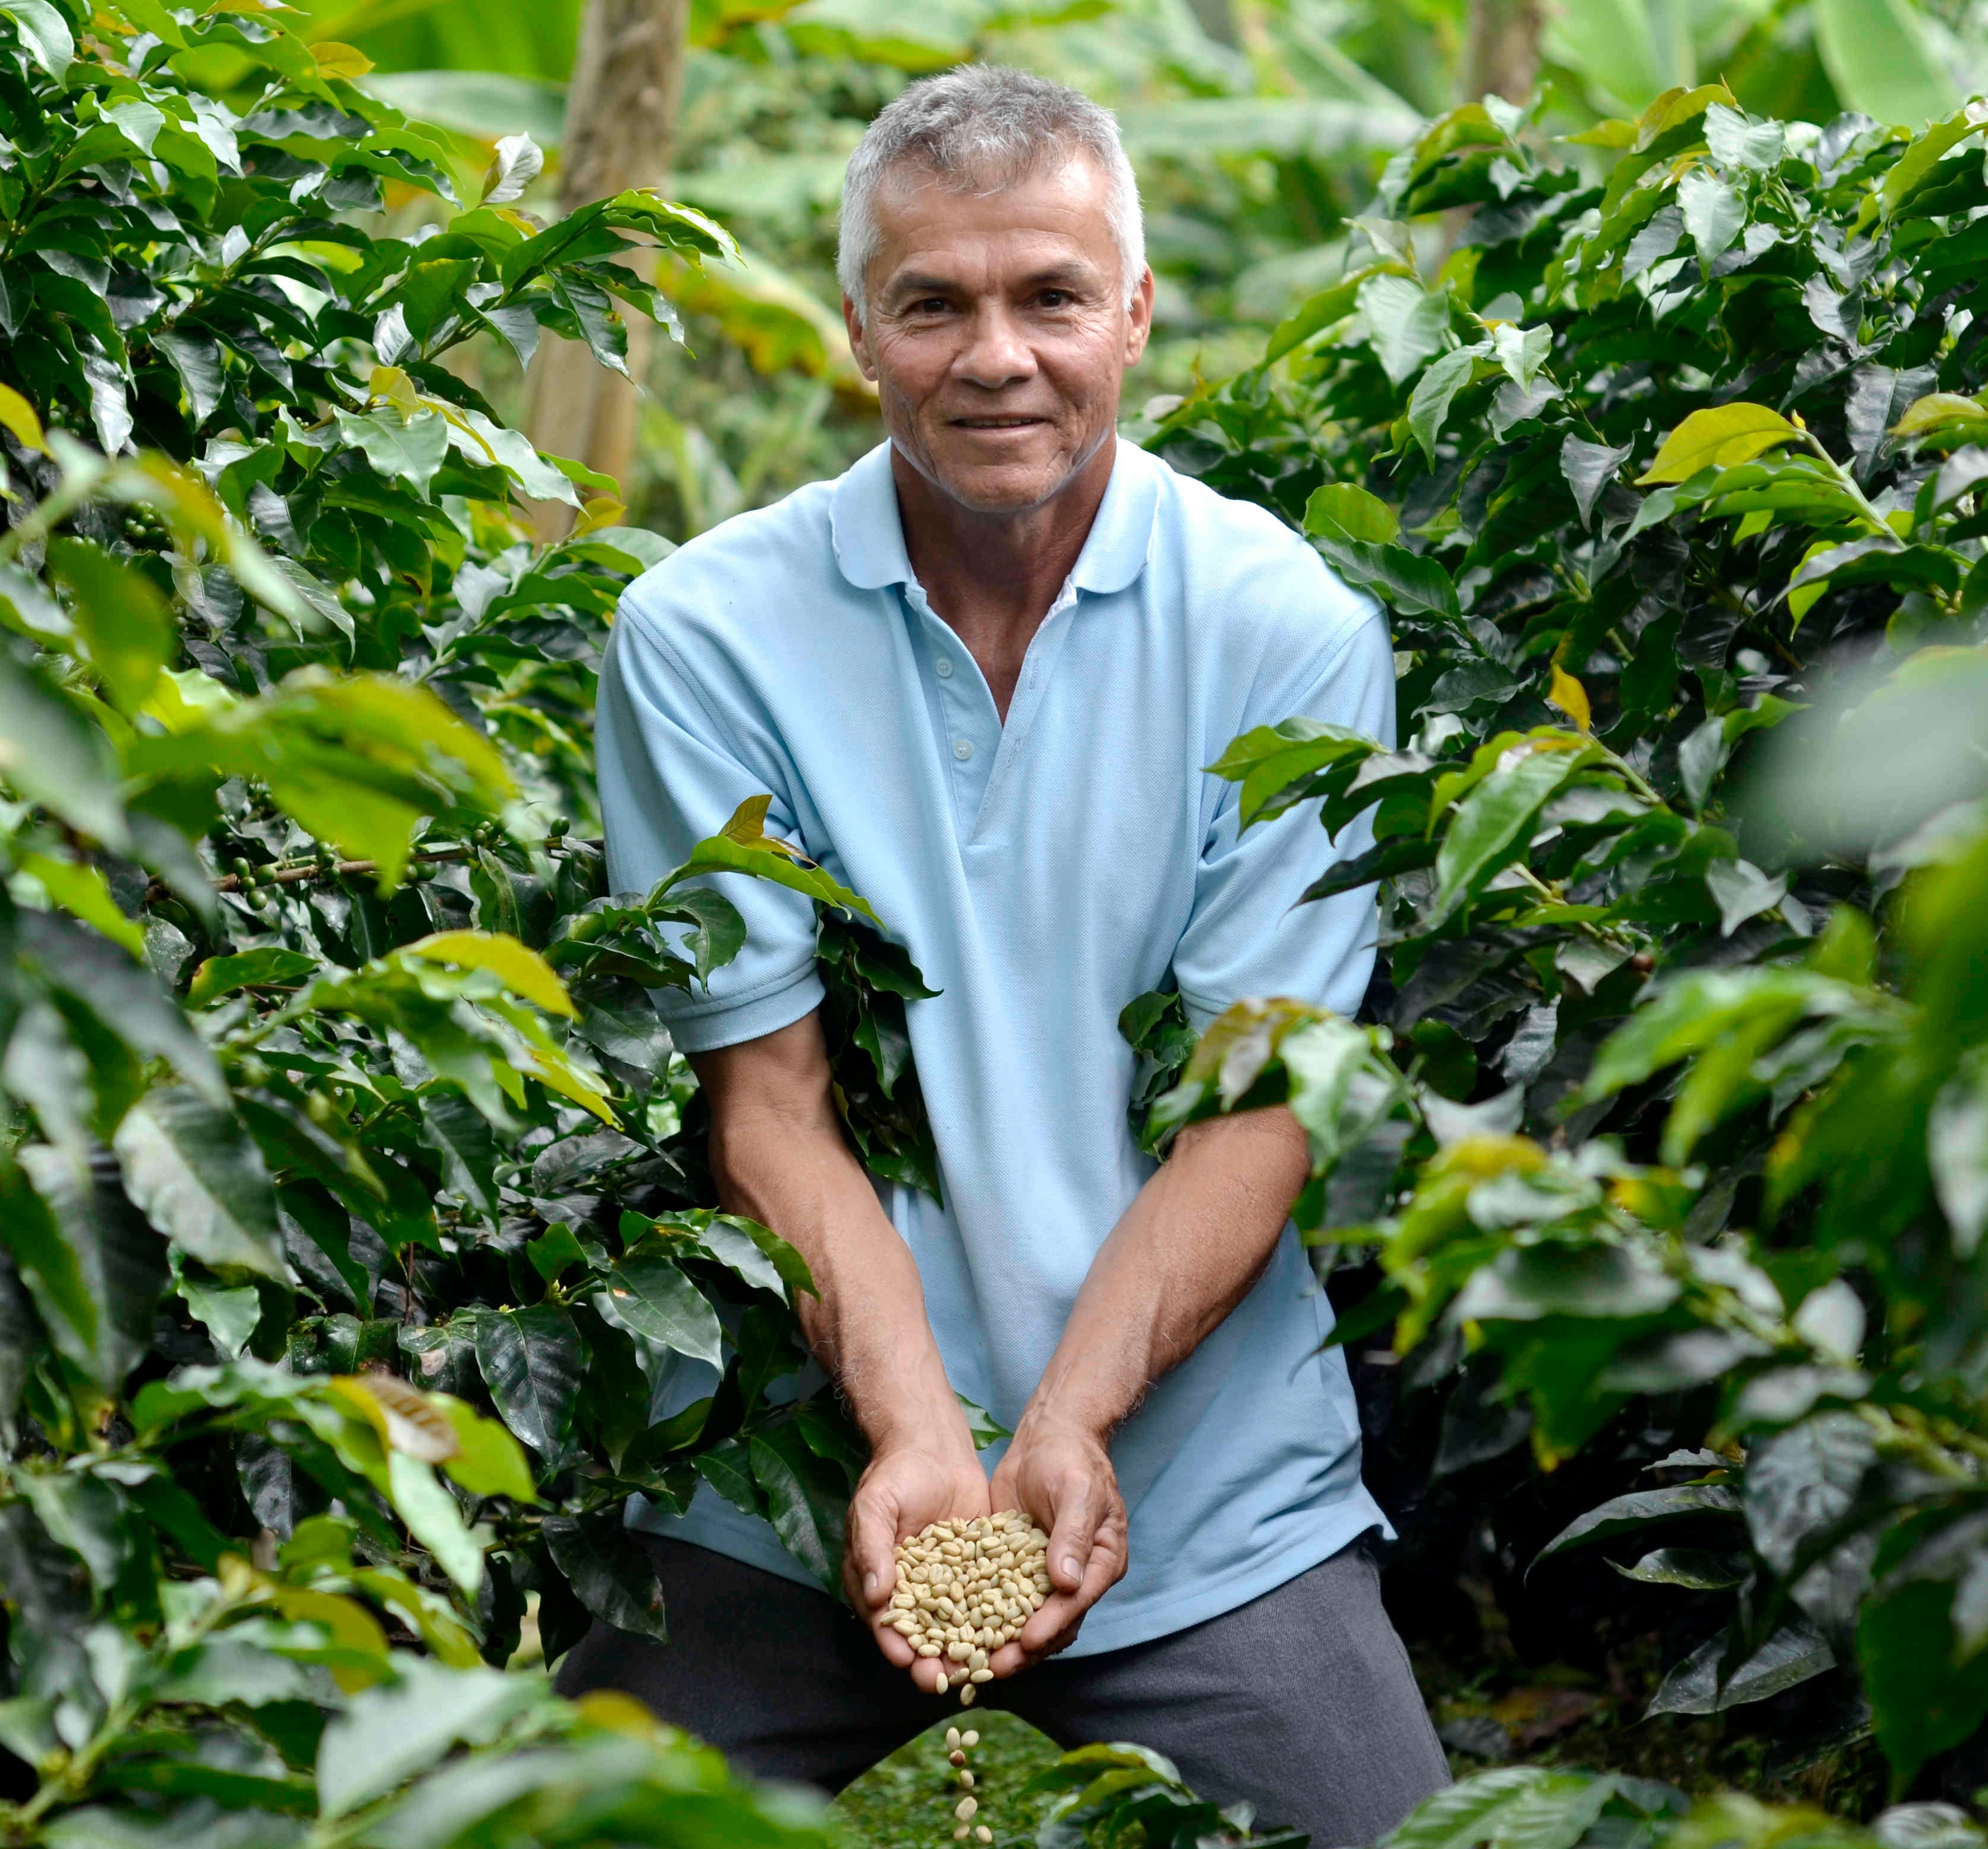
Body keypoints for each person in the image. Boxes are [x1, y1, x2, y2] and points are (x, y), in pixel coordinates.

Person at [556, 62, 1450, 1847]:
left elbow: (1259, 1110)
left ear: (1135, 312)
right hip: (793, 1470)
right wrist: (911, 1433)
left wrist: (1071, 1424)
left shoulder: (1284, 632)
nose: (997, 358)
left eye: (1051, 296)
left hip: (1206, 1491)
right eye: (933, 305)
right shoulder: (704, 636)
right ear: (857, 331)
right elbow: (768, 1103)